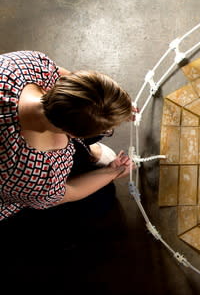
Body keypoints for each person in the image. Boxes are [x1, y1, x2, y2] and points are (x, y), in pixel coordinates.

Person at [0, 50, 134, 221]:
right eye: (107, 129)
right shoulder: (33, 172)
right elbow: (68, 192)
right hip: (15, 192)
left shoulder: (23, 66)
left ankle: (88, 151)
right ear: (72, 135)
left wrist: (113, 104)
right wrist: (111, 173)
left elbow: (67, 81)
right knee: (103, 198)